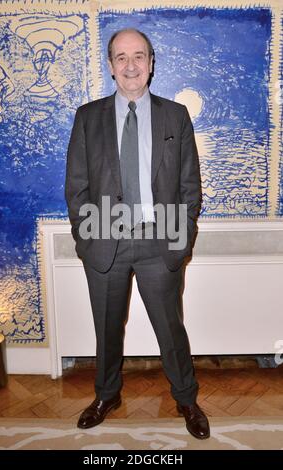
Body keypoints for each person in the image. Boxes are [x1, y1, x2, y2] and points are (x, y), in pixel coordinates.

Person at [65, 28, 210, 440]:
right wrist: (85, 238)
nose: (131, 65)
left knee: (171, 329)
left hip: (158, 241)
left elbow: (189, 188)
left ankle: (186, 398)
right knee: (107, 329)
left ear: (151, 63)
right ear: (110, 66)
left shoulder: (174, 116)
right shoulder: (88, 117)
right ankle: (106, 395)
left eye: (139, 56)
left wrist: (179, 242)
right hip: (103, 239)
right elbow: (76, 187)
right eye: (121, 57)